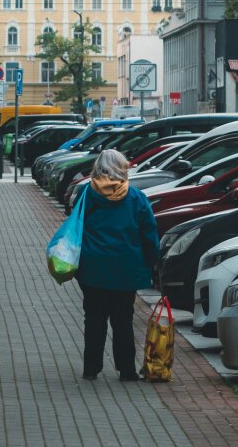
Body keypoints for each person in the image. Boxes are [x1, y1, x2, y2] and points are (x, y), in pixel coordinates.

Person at [76, 148, 159, 382]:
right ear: (122, 168)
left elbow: (76, 224)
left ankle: (91, 369)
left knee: (94, 318)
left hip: (92, 267)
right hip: (125, 268)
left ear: (98, 168)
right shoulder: (135, 197)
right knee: (123, 319)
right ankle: (127, 370)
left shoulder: (86, 194)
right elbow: (149, 233)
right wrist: (152, 260)